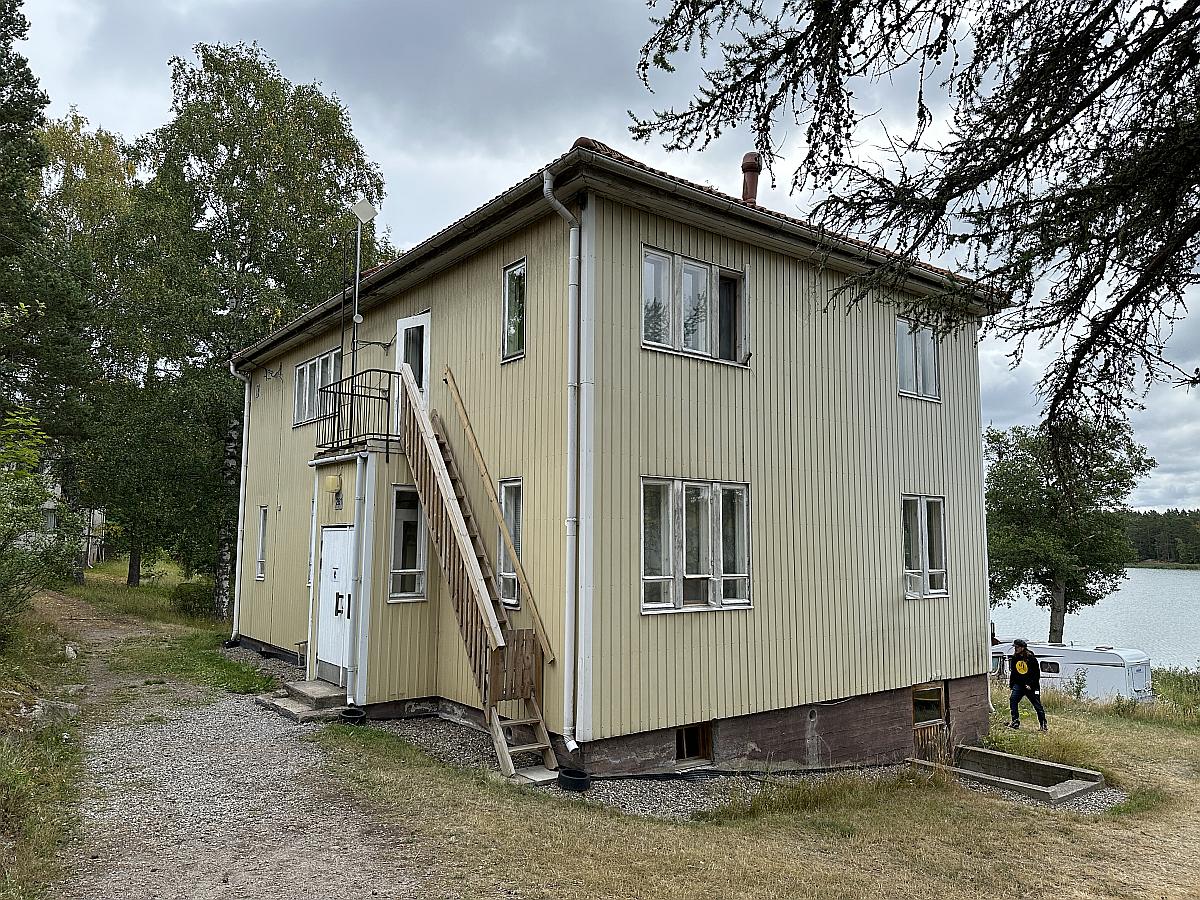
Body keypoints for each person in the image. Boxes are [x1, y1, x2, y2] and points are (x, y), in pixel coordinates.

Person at [1008, 638, 1048, 731]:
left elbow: (1036, 674)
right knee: (1013, 700)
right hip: (1019, 685)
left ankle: (1043, 725)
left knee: (1037, 705)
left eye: (1017, 647)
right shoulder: (1015, 658)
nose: (1015, 649)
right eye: (1014, 647)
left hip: (1031, 686)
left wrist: (1030, 684)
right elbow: (1013, 672)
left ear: (1022, 648)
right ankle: (1015, 722)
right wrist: (1012, 684)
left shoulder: (1031, 658)